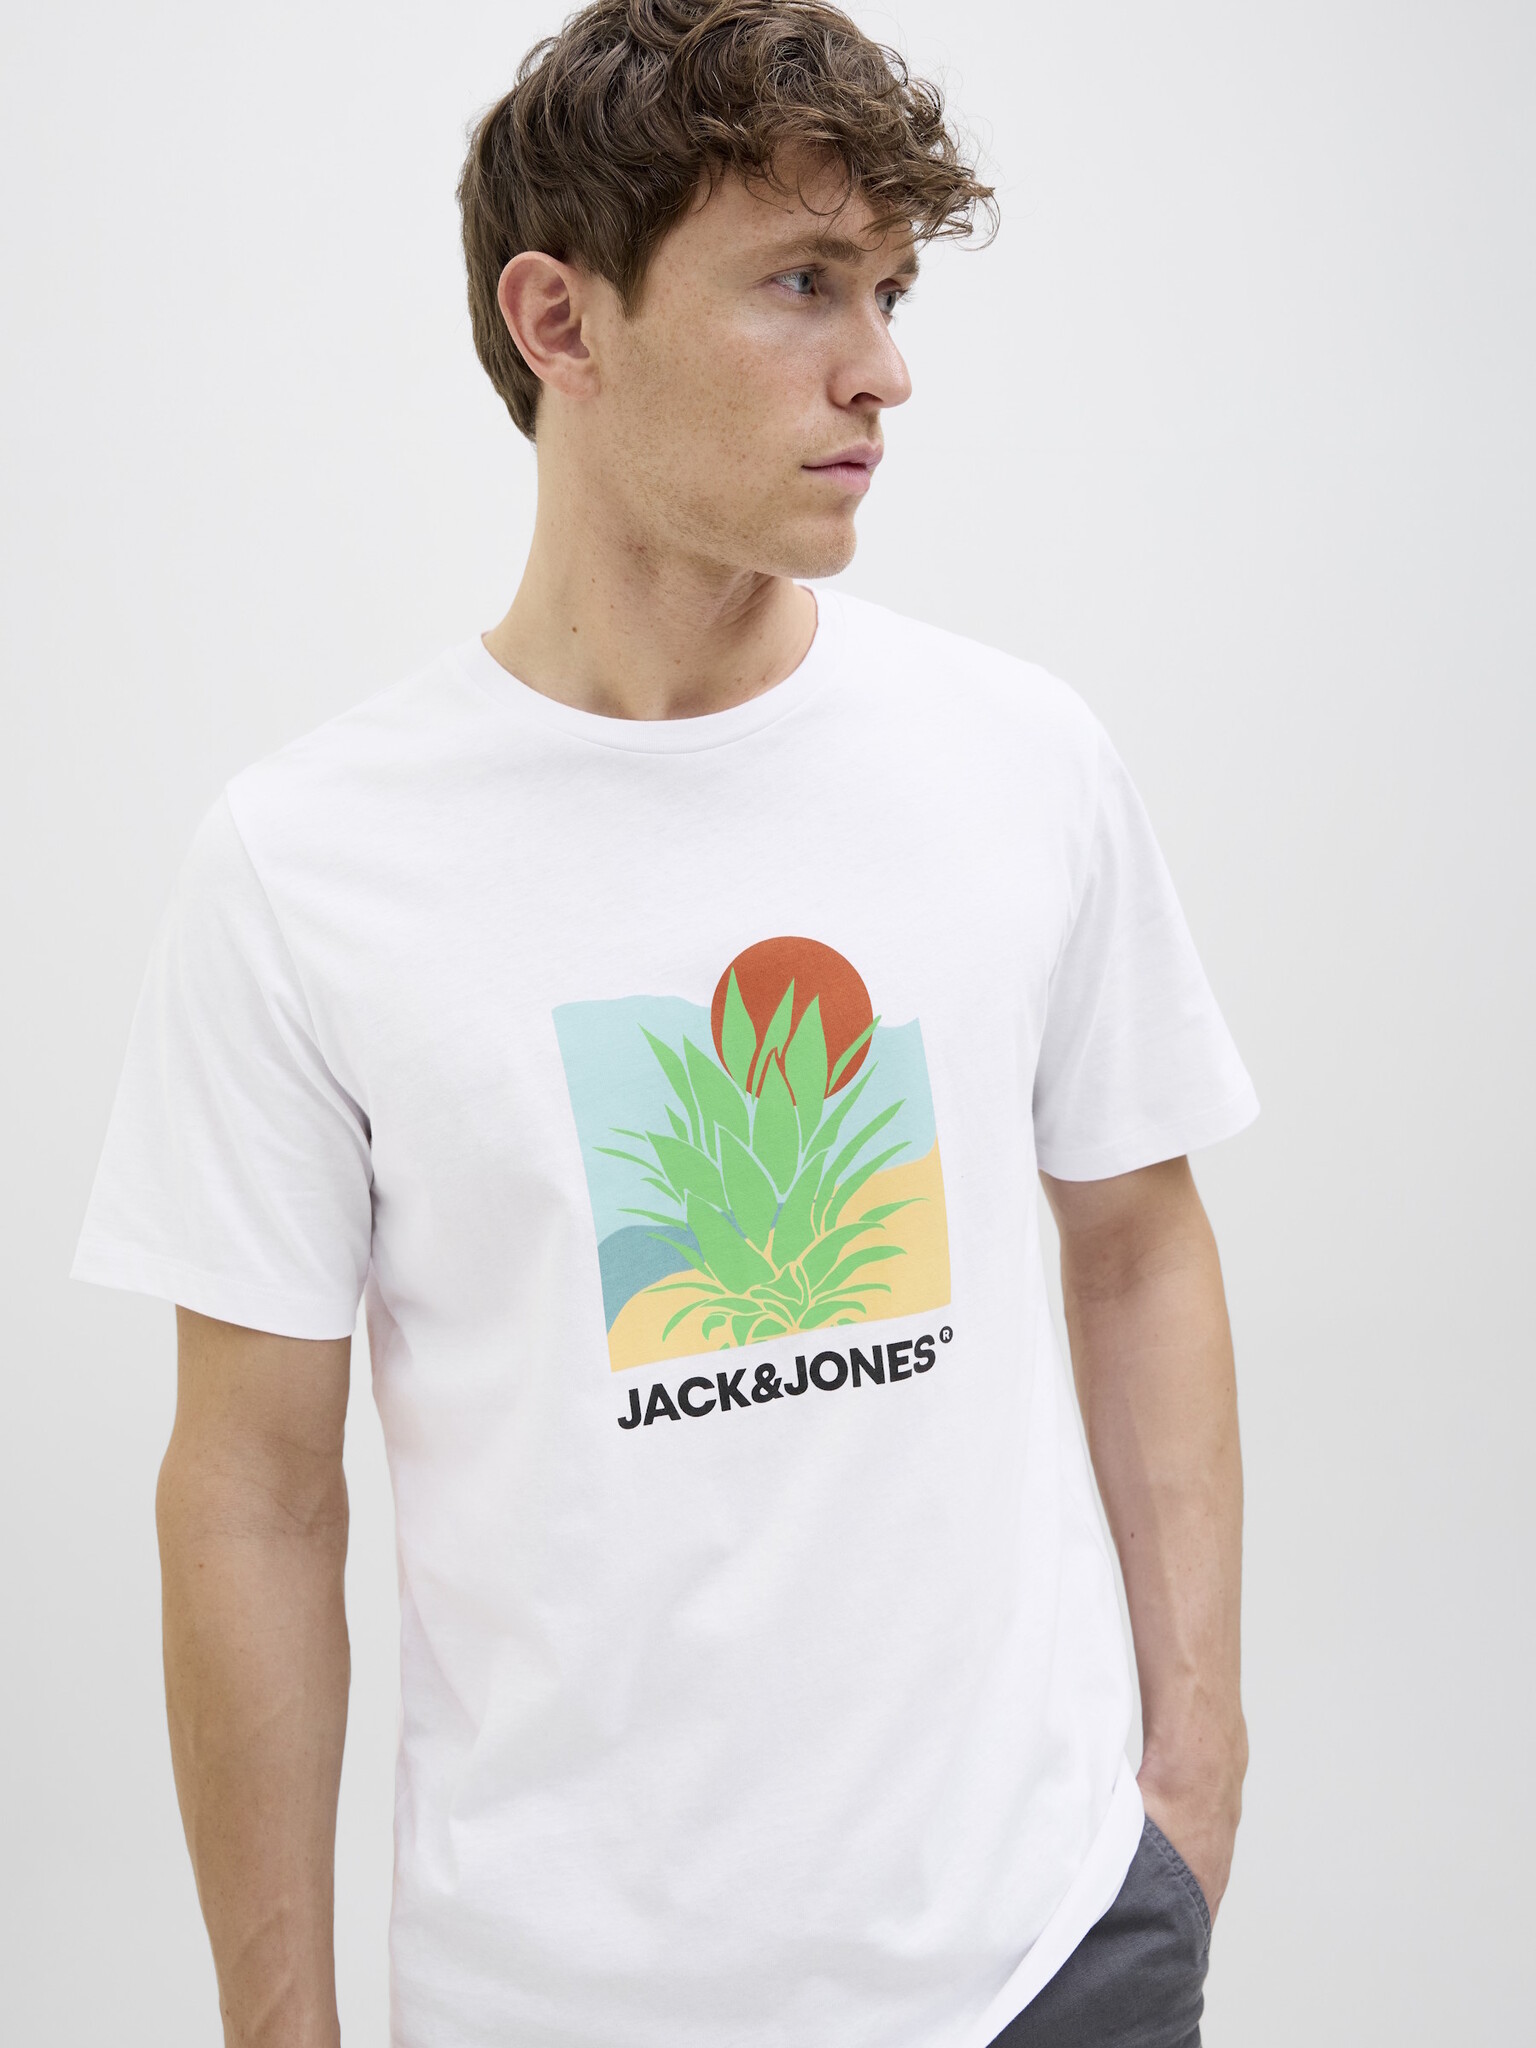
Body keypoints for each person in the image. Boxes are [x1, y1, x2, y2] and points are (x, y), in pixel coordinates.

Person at [72, 3, 1258, 2043]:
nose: (881, 367)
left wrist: (1193, 1778)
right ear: (562, 320)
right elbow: (254, 1495)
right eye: (802, 284)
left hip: (1039, 1951)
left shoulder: (1019, 761)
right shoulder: (308, 865)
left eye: (888, 292)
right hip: (557, 1998)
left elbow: (1139, 1244)